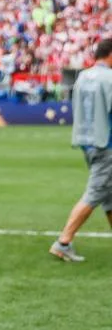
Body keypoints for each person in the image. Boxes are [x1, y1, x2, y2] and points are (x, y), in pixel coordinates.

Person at [49, 38, 112, 262]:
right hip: (106, 142)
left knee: (109, 194)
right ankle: (63, 242)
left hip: (86, 140)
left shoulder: (84, 76)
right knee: (96, 191)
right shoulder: (109, 78)